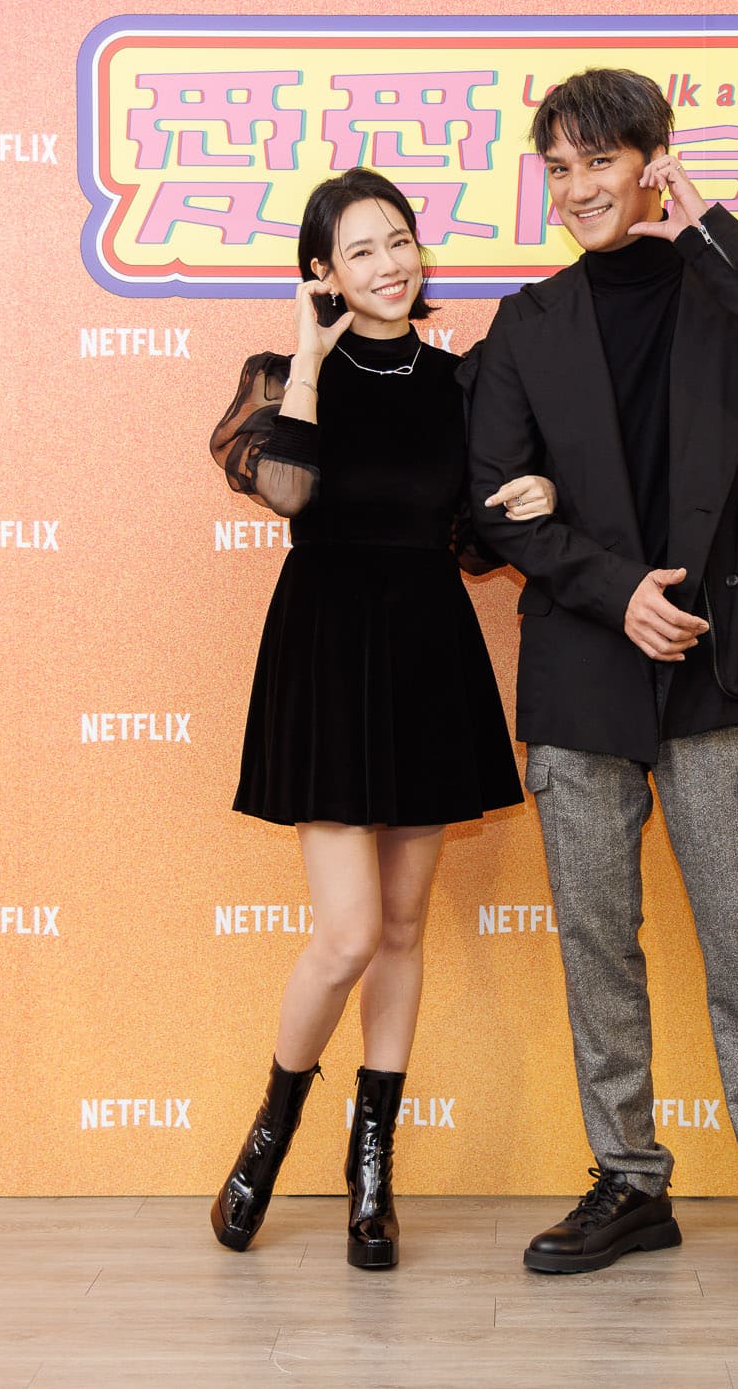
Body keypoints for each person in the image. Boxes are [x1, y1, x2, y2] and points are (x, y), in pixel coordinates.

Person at [464, 69, 738, 1297]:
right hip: (583, 666)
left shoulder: (716, 289)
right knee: (595, 941)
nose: (576, 188)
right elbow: (494, 504)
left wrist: (714, 235)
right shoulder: (526, 325)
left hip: (717, 667)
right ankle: (628, 1181)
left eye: (599, 161)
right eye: (557, 169)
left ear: (652, 163)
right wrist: (611, 586)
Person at [207, 167, 554, 1269]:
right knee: (348, 932)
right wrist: (311, 357)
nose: (389, 264)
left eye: (398, 240)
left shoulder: (461, 383)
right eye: (360, 250)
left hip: (426, 652)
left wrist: (535, 499)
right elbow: (288, 492)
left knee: (402, 929)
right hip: (325, 653)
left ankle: (373, 1171)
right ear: (321, 272)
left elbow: (476, 535)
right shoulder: (285, 378)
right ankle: (271, 1130)